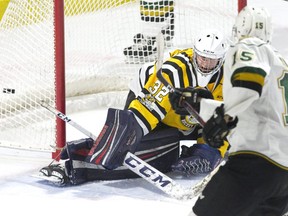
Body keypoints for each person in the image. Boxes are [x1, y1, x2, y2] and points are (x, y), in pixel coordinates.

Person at [39, 28, 229, 186]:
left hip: (187, 121)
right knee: (155, 155)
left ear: (220, 61)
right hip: (149, 105)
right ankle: (76, 165)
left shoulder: (229, 80)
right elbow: (145, 112)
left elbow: (229, 121)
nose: (205, 63)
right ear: (194, 53)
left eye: (211, 60)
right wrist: (126, 137)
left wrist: (209, 151)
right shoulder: (174, 72)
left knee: (228, 139)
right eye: (202, 57)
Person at [185, 6, 288, 216]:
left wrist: (223, 118)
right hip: (283, 176)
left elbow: (248, 82)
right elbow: (258, 113)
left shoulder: (250, 46)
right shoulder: (282, 64)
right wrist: (200, 105)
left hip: (255, 164)